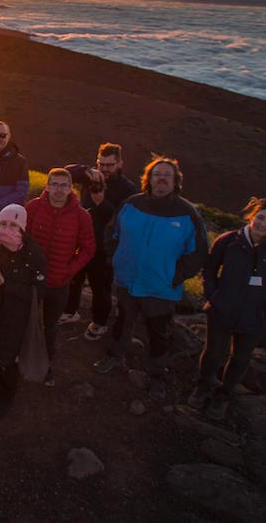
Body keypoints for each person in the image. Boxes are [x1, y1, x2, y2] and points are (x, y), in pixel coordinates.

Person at [93, 156, 208, 403]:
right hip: (127, 279)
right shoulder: (132, 204)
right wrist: (116, 259)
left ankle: (156, 374)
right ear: (149, 178)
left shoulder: (187, 213)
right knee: (122, 320)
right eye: (157, 174)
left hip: (161, 287)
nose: (162, 178)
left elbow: (198, 252)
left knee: (159, 332)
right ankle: (114, 355)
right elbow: (111, 232)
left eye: (167, 174)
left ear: (176, 180)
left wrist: (176, 276)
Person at [188, 197, 266, 419]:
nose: (263, 224)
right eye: (260, 217)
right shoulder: (229, 241)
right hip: (222, 310)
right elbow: (209, 269)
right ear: (251, 216)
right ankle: (202, 386)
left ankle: (224, 395)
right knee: (213, 352)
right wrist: (214, 296)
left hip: (255, 316)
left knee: (241, 357)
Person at [22, 168, 96, 384]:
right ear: (47, 186)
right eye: (54, 184)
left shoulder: (81, 216)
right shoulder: (34, 207)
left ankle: (46, 366)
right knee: (27, 321)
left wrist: (69, 269)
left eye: (64, 185)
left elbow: (88, 248)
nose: (58, 190)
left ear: (70, 188)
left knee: (50, 326)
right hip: (32, 280)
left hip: (58, 282)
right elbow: (22, 237)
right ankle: (22, 357)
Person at [0, 204, 49, 417]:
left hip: (17, 318)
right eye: (3, 224)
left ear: (23, 228)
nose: (7, 229)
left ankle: (5, 397)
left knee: (9, 360)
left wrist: (7, 285)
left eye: (13, 225)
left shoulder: (32, 254)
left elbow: (38, 291)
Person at [62, 143, 139, 339]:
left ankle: (99, 322)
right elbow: (65, 172)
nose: (105, 169)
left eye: (110, 165)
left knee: (101, 286)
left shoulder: (128, 189)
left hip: (104, 247)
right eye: (101, 164)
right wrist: (87, 170)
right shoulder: (91, 177)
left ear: (120, 164)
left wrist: (101, 203)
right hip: (80, 241)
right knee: (73, 278)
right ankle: (70, 311)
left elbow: (124, 221)